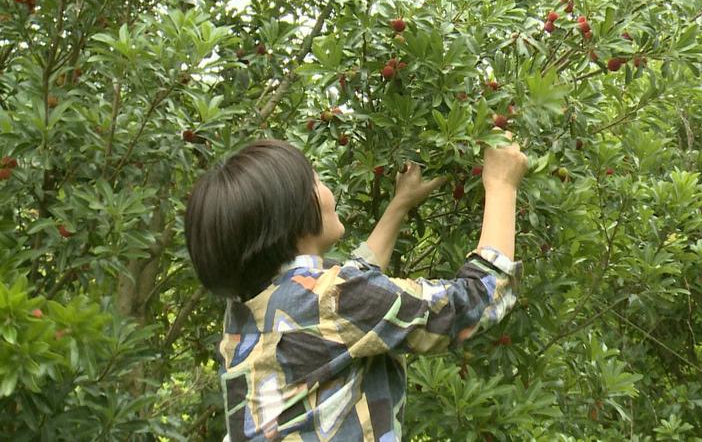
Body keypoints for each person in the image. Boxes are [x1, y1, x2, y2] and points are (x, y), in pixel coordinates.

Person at [184, 132, 528, 441]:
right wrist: (501, 185)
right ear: (293, 214)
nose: (325, 189)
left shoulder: (249, 304)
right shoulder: (334, 298)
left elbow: (351, 290)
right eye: (316, 181)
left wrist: (400, 204)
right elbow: (473, 302)